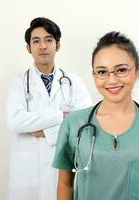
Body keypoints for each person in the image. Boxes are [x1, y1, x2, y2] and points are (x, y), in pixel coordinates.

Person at [52, 31, 139, 200]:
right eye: (102, 72)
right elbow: (65, 184)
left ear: (138, 69)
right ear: (94, 75)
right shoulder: (74, 123)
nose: (112, 80)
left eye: (121, 70)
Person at [6, 17, 92, 200]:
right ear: (28, 48)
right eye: (36, 41)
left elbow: (85, 123)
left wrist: (47, 132)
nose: (42, 46)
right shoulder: (18, 82)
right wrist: (62, 116)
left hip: (63, 169)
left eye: (49, 40)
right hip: (28, 174)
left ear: (58, 45)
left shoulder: (74, 81)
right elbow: (15, 121)